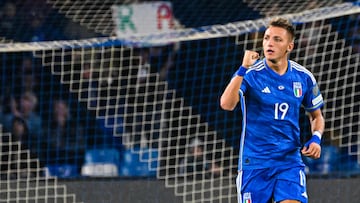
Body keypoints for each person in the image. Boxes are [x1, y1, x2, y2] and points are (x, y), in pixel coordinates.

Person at [220, 17, 325, 203]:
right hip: (255, 163)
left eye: (277, 39)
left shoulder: (303, 77)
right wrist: (243, 68)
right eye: (267, 38)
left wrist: (316, 138)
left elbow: (316, 115)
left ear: (289, 47)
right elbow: (227, 104)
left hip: (289, 162)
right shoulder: (251, 74)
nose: (270, 43)